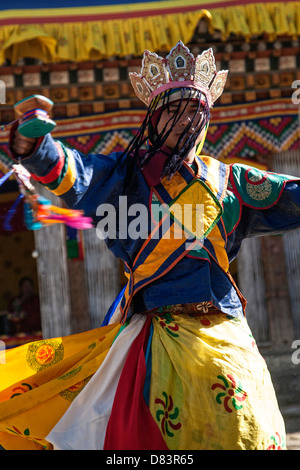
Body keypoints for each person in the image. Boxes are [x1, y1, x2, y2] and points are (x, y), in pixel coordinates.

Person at [0, 41, 299, 451]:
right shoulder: (125, 177)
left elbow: (291, 197)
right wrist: (34, 149)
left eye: (193, 110)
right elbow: (76, 175)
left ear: (206, 119)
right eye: (171, 111)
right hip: (161, 333)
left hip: (228, 331)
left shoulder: (230, 182)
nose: (182, 120)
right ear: (154, 119)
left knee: (256, 429)